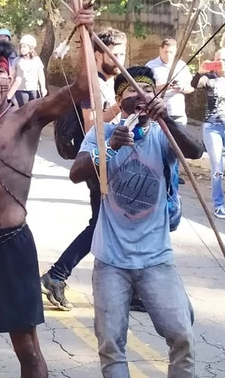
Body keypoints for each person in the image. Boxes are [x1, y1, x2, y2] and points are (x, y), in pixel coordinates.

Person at [0, 10, 93, 377]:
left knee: (26, 345)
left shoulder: (28, 118)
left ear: (10, 79)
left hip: (9, 244)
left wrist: (82, 35)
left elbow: (82, 88)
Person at [69, 66, 204, 377]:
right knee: (111, 345)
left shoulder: (162, 132)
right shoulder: (102, 133)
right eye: (132, 89)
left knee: (182, 335)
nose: (140, 94)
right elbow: (76, 173)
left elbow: (195, 151)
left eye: (146, 89)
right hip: (110, 261)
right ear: (119, 99)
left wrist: (167, 119)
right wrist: (111, 146)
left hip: (156, 258)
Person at [40, 28, 127, 311]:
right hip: (95, 163)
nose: (120, 58)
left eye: (123, 53)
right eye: (115, 53)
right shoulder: (93, 85)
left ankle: (128, 286)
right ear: (99, 54)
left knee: (109, 224)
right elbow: (92, 127)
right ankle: (57, 274)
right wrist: (119, 108)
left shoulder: (110, 82)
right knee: (103, 224)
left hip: (111, 161)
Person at [192, 47, 225, 219]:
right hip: (212, 128)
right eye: (217, 59)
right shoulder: (208, 79)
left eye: (224, 59)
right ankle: (218, 204)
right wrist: (200, 71)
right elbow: (194, 84)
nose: (221, 62)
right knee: (218, 168)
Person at [145, 38, 194, 125]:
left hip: (178, 112)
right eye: (166, 52)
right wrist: (163, 87)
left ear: (175, 51)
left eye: (171, 52)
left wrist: (181, 88)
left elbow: (191, 88)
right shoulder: (151, 66)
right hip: (157, 112)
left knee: (178, 138)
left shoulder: (181, 65)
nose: (168, 55)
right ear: (160, 50)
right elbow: (145, 89)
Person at [7, 35, 47, 107]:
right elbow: (12, 75)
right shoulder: (17, 60)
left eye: (24, 47)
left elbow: (40, 74)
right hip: (21, 90)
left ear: (31, 48)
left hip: (34, 89)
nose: (22, 49)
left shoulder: (37, 60)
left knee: (34, 110)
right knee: (24, 110)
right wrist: (8, 88)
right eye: (21, 46)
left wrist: (43, 88)